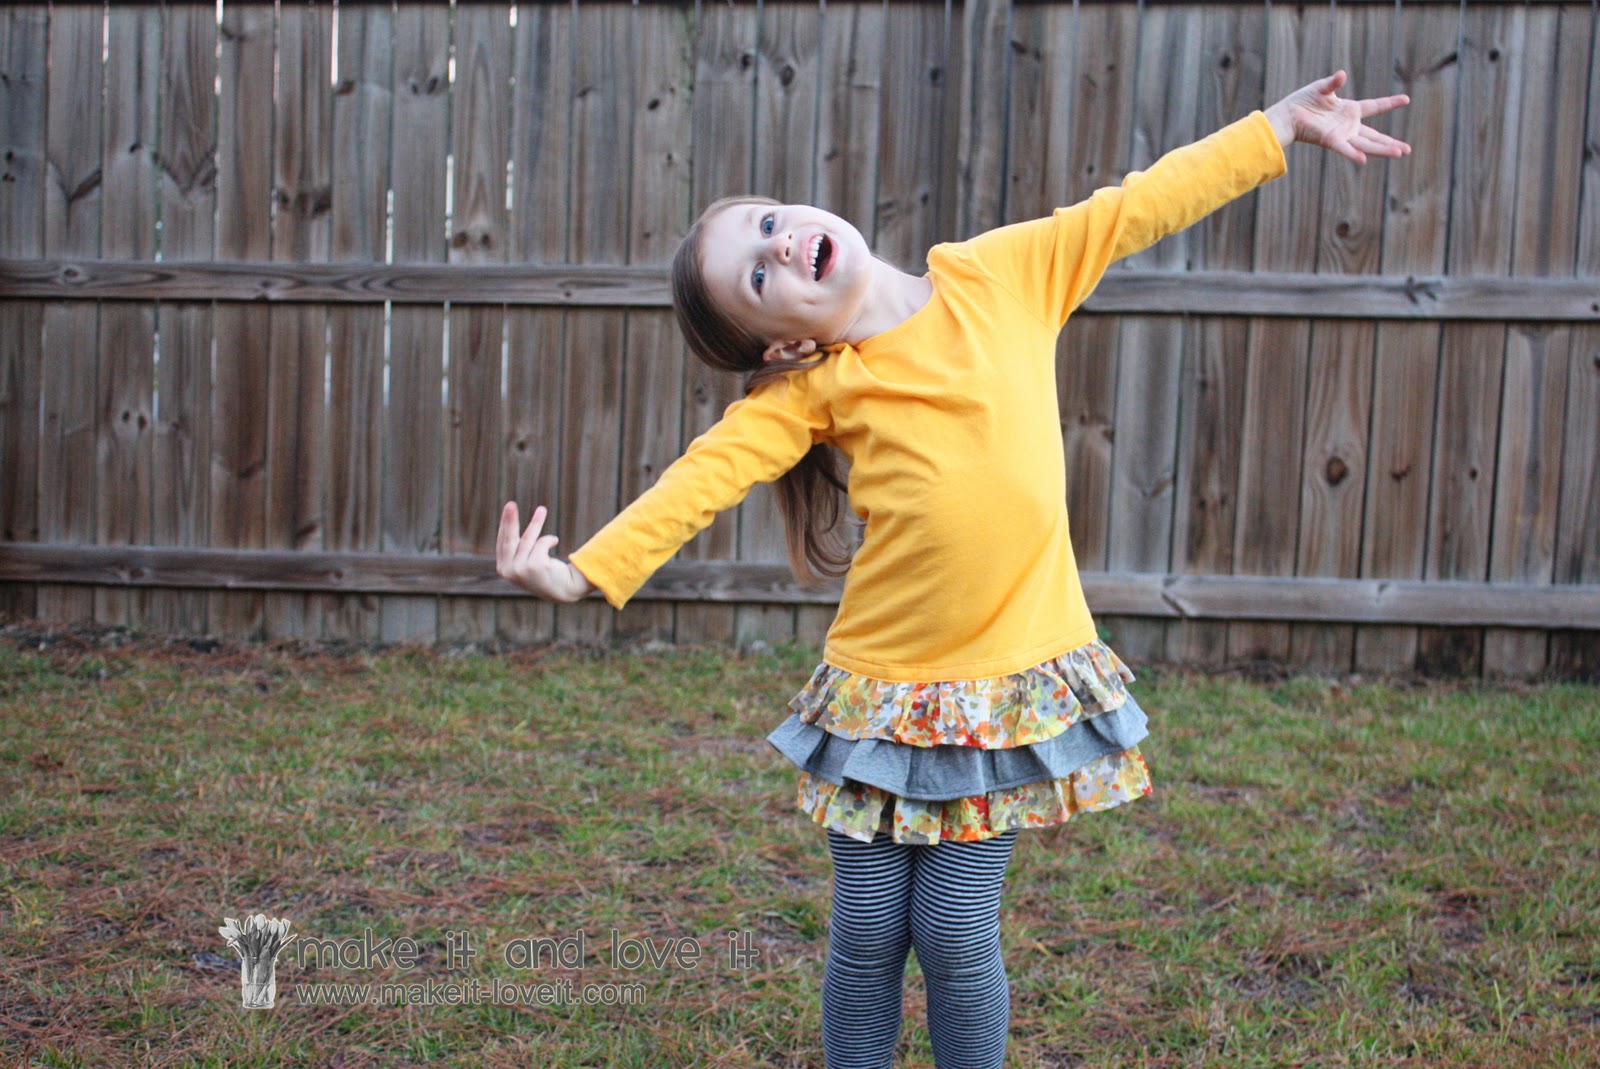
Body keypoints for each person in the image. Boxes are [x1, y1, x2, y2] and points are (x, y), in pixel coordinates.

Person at [496, 70, 1409, 1069]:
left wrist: (1276, 126)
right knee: (867, 936)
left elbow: (1139, 203)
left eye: (765, 222)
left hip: (1000, 692)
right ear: (789, 338)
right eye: (756, 274)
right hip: (879, 700)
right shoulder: (817, 391)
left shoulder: (996, 277)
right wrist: (584, 573)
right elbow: (699, 480)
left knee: (957, 933)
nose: (776, 243)